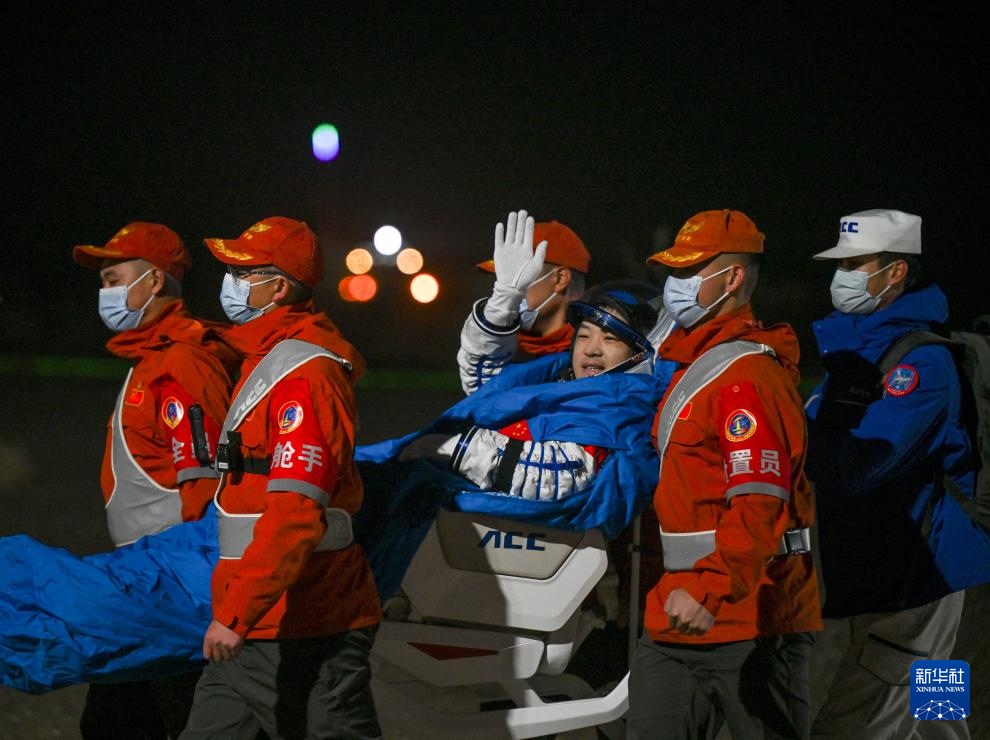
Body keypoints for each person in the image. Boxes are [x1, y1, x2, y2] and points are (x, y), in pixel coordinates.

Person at [180, 216, 382, 740]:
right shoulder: (267, 359)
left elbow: (295, 514)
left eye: (242, 272)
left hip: (307, 625)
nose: (229, 282)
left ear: (279, 288)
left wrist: (237, 614)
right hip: (260, 620)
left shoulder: (306, 376)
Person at [626, 209, 822, 740]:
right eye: (674, 271)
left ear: (732, 277)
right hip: (682, 610)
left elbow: (760, 501)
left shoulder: (748, 377)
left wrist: (710, 590)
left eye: (689, 271)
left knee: (911, 694)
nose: (675, 285)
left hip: (751, 614)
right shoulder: (698, 368)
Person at [804, 209, 990, 739]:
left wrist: (801, 435)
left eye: (855, 264)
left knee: (852, 724)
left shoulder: (919, 364)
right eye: (840, 265)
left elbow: (858, 467)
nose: (842, 276)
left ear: (896, 271)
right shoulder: (859, 352)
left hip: (922, 579)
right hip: (911, 573)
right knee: (936, 721)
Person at [72, 221, 238, 739]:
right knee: (113, 723)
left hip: (173, 590)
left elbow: (207, 488)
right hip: (145, 578)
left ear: (155, 281)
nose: (105, 292)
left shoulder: (181, 362)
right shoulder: (152, 356)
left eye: (113, 279)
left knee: (177, 721)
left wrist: (204, 594)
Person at [457, 209, 590, 393]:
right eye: (502, 279)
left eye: (517, 276)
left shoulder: (599, 352)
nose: (507, 287)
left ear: (559, 279)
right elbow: (479, 384)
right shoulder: (505, 350)